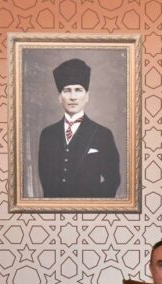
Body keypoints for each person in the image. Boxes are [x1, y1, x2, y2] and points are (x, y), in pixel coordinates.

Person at [38, 58, 120, 199]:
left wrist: (91, 206)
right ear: (59, 97)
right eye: (67, 91)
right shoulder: (47, 135)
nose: (73, 97)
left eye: (78, 90)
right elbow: (45, 180)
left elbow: (113, 180)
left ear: (87, 96)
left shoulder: (103, 134)